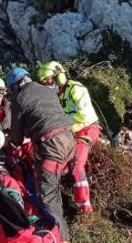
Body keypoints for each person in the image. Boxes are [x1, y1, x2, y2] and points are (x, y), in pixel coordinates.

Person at [5, 67, 76, 240]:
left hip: (51, 147)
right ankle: (60, 220)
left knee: (47, 193)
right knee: (52, 184)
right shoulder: (47, 90)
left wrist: (7, 143)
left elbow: (16, 137)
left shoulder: (19, 99)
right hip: (68, 140)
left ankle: (62, 240)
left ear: (14, 86)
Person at [37, 61, 100, 213]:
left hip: (86, 129)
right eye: (44, 82)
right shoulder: (55, 96)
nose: (47, 84)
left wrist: (64, 123)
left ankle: (85, 206)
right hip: (67, 132)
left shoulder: (76, 89)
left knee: (77, 163)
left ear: (59, 76)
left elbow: (84, 115)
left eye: (49, 80)